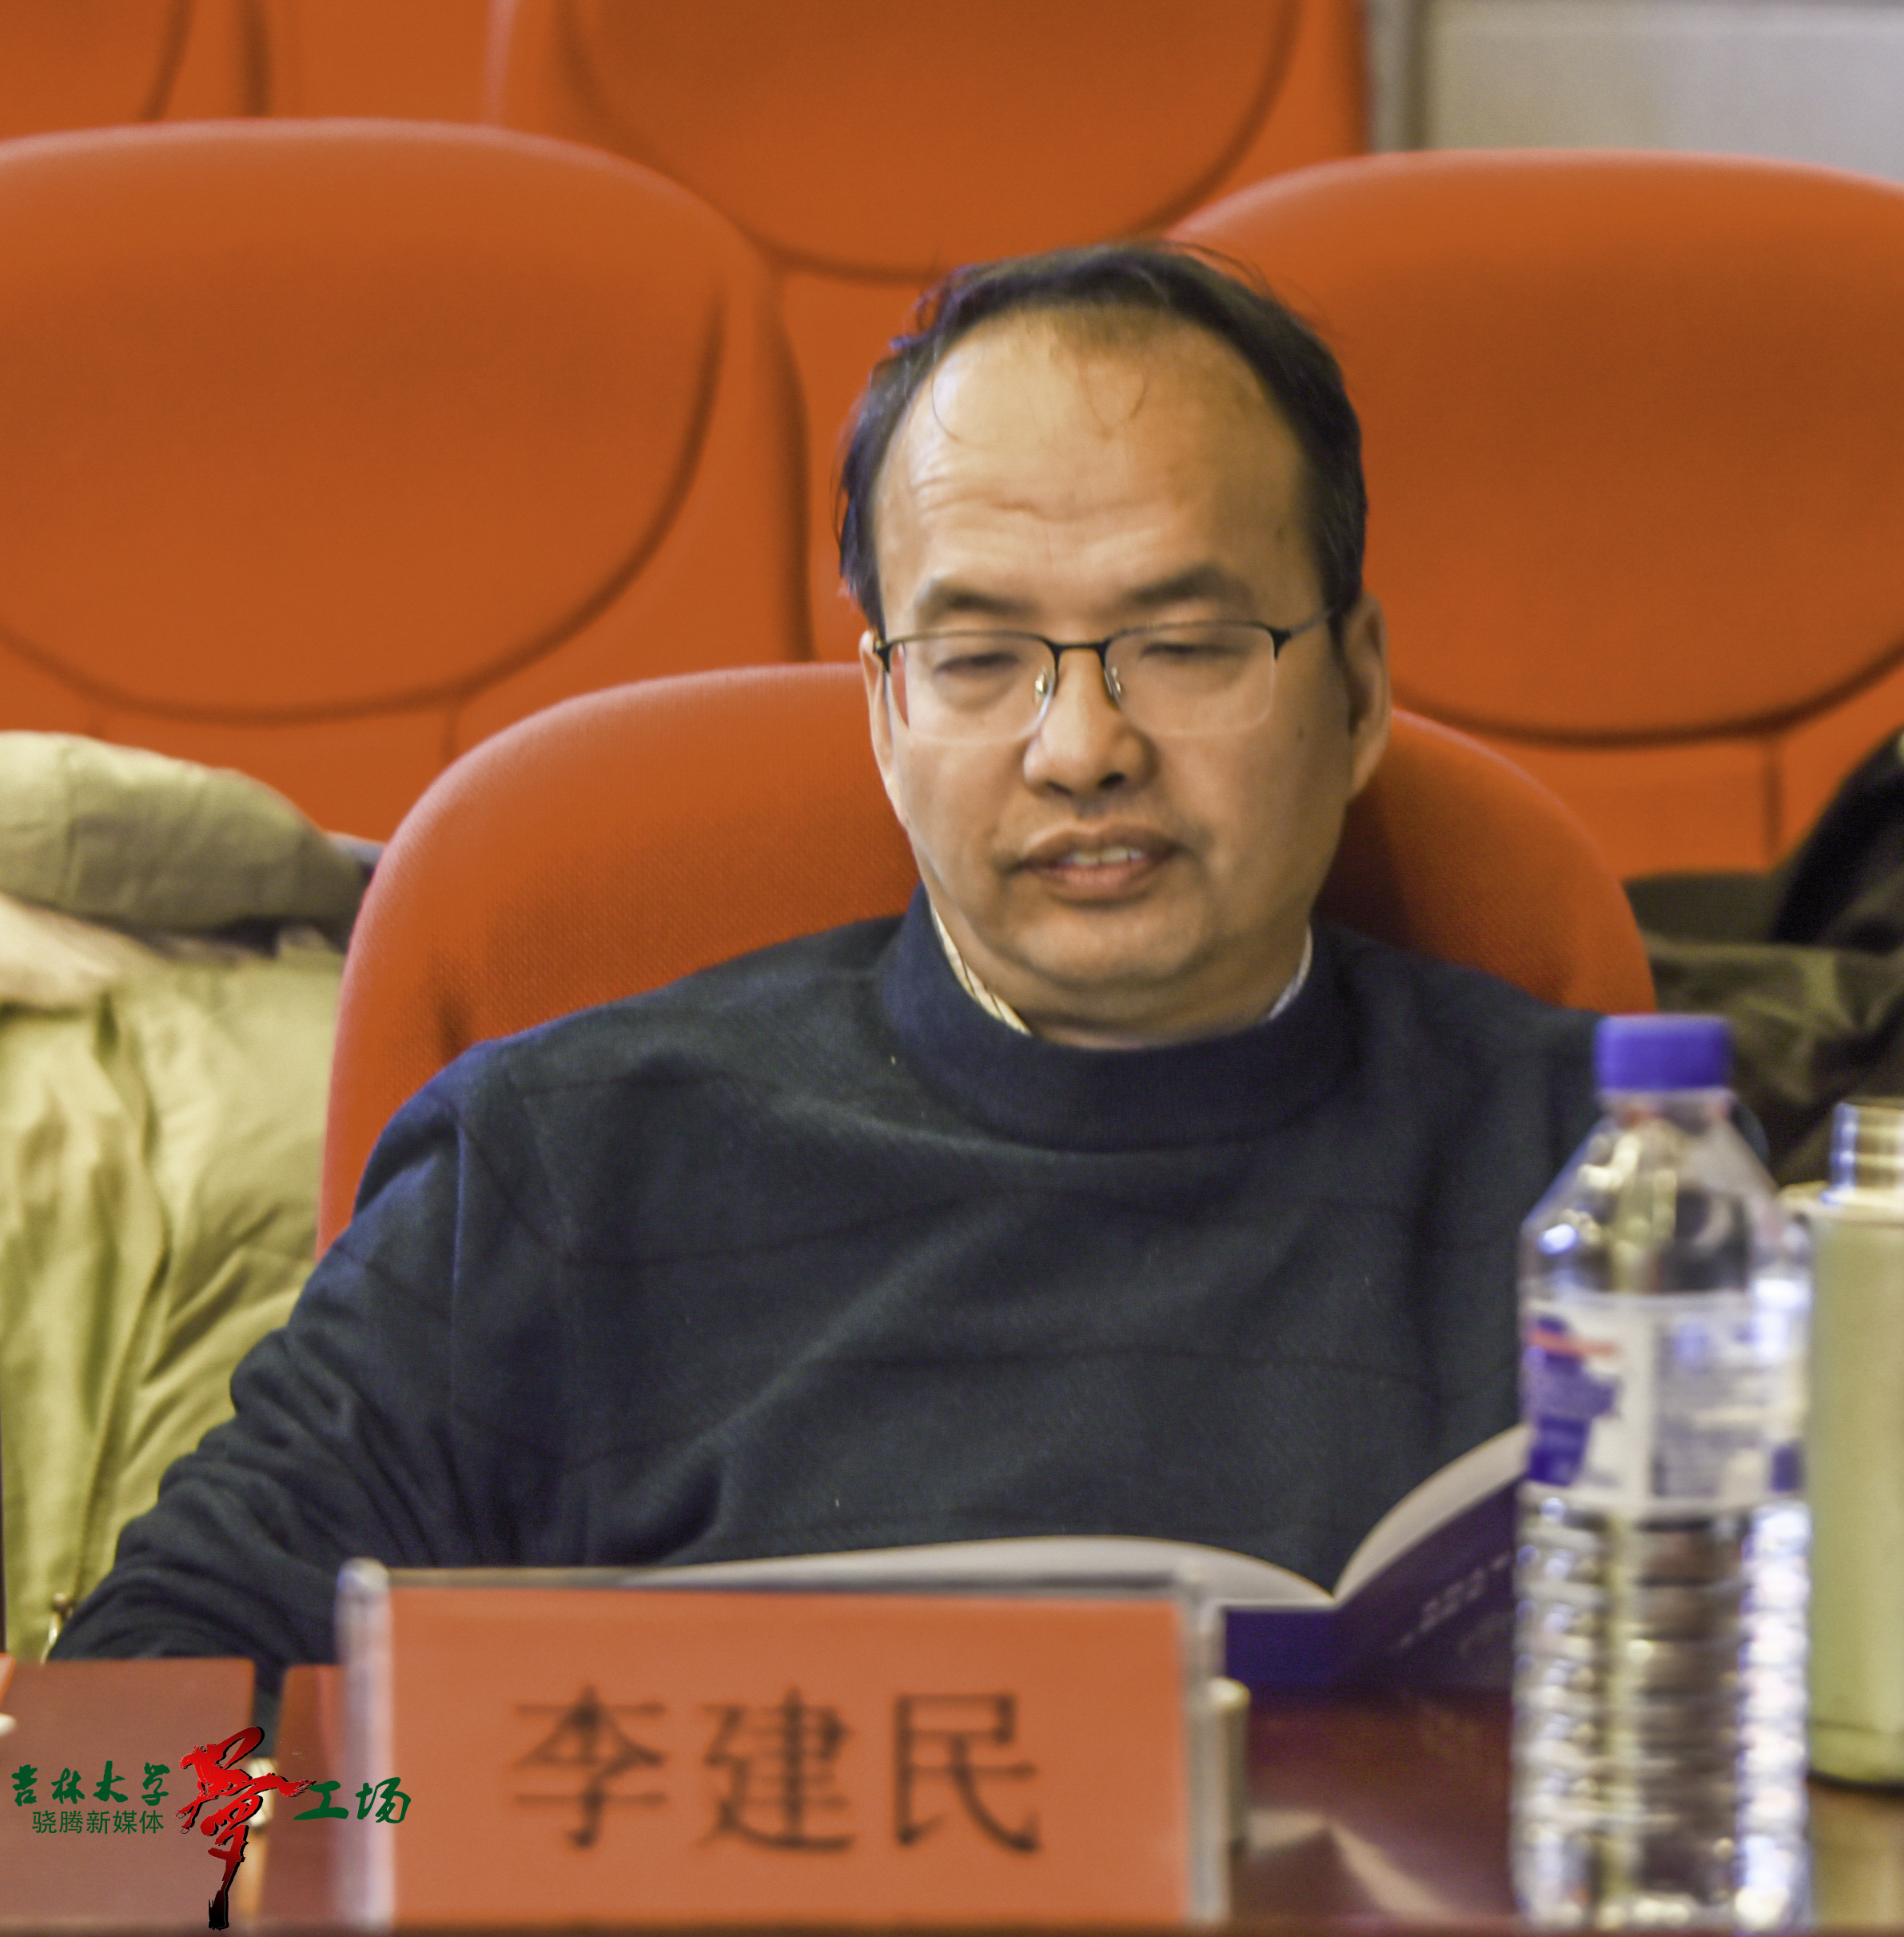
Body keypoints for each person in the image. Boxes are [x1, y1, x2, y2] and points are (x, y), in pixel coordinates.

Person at [53, 244, 1598, 1708]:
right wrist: (399, 1826)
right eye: (978, 660)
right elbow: (115, 1759)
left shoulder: (1601, 1173)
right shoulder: (560, 1171)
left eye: (1187, 644)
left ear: (1360, 690)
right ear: (883, 714)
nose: (1081, 750)